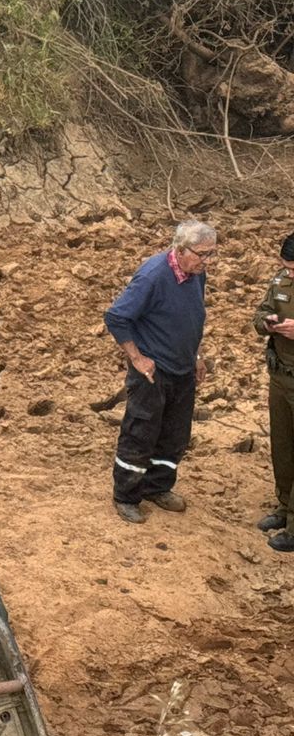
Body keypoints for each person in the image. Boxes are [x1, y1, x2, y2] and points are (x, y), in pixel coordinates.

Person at [104, 219, 215, 523]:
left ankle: (158, 487)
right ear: (180, 249)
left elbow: (190, 318)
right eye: (201, 254)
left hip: (183, 369)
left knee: (174, 434)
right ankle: (126, 495)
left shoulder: (195, 275)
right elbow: (116, 317)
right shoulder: (153, 276)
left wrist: (196, 355)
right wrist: (137, 357)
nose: (206, 261)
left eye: (211, 254)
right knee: (141, 432)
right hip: (153, 371)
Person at [253, 232, 294, 552]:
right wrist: (267, 323)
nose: (290, 273)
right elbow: (258, 315)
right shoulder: (280, 280)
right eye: (287, 267)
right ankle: (284, 508)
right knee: (282, 448)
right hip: (280, 376)